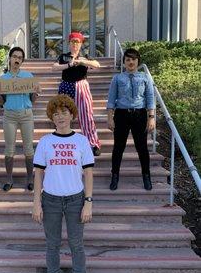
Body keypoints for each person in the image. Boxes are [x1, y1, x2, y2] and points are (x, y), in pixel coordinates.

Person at [32, 94, 94, 273]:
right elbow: (38, 173)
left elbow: (88, 173)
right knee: (52, 245)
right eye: (56, 113)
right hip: (50, 200)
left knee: (77, 245)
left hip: (76, 200)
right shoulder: (45, 142)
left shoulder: (81, 141)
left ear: (72, 115)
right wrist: (36, 203)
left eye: (64, 112)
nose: (60, 117)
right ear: (51, 117)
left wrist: (88, 202)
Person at [107, 48, 155, 191]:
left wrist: (151, 117)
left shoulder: (145, 77)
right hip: (121, 114)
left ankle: (146, 176)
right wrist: (110, 117)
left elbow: (150, 98)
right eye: (127, 59)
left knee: (142, 148)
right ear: (124, 62)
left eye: (133, 59)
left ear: (138, 61)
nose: (130, 62)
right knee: (118, 147)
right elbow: (111, 99)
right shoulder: (117, 78)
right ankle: (114, 176)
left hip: (139, 115)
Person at [52, 32, 102, 156]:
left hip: (81, 86)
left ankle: (92, 143)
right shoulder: (64, 56)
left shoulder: (85, 56)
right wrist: (69, 64)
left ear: (81, 44)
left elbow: (97, 65)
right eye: (73, 41)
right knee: (62, 114)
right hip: (66, 86)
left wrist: (82, 62)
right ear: (69, 43)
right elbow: (54, 67)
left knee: (86, 115)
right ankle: (60, 140)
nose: (75, 44)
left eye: (77, 42)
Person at [0, 47, 40, 192]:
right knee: (9, 149)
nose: (17, 59)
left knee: (28, 148)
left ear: (22, 61)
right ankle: (9, 179)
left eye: (20, 58)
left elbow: (33, 99)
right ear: (10, 58)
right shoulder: (3, 79)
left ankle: (30, 179)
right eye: (15, 56)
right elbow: (1, 101)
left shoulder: (28, 76)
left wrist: (36, 92)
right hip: (9, 115)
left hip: (26, 114)